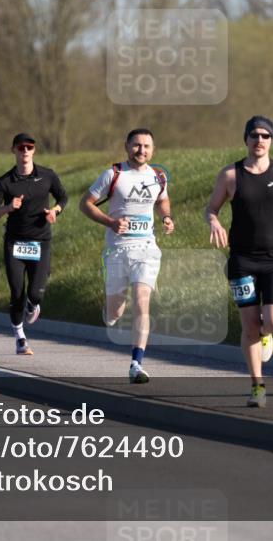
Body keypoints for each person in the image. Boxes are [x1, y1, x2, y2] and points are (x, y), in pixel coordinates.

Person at [204, 116, 273, 408]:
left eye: (265, 136)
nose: (260, 140)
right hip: (242, 260)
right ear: (246, 139)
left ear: (271, 140)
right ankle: (257, 386)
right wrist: (214, 223)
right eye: (254, 135)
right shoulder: (230, 175)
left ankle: (266, 336)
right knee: (249, 326)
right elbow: (210, 209)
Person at [79, 128, 174, 384]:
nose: (141, 150)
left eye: (146, 146)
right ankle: (109, 309)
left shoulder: (158, 176)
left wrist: (166, 217)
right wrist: (110, 222)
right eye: (136, 145)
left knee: (142, 300)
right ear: (126, 146)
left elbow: (162, 201)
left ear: (152, 149)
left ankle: (136, 363)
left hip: (146, 248)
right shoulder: (113, 174)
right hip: (117, 250)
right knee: (116, 310)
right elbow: (85, 203)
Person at [0, 133, 68, 356]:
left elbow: (63, 198)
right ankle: (20, 337)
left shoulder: (47, 176)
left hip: (41, 241)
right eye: (21, 148)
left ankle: (33, 304)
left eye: (29, 147)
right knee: (17, 292)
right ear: (14, 150)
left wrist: (55, 211)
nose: (25, 151)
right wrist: (8, 208)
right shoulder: (6, 182)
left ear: (34, 151)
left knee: (36, 293)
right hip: (15, 243)